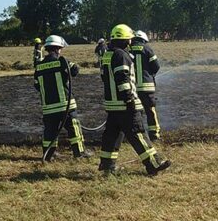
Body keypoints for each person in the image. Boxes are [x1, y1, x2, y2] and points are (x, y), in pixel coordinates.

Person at [98, 24, 170, 176]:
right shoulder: (121, 55)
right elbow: (122, 78)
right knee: (138, 133)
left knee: (112, 136)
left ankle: (107, 166)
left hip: (112, 105)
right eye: (129, 39)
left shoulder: (107, 54)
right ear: (126, 40)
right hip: (125, 104)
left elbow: (104, 77)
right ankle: (154, 163)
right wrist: (129, 98)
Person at [34, 35, 90, 161]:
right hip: (65, 105)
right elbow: (75, 70)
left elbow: (37, 85)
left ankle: (48, 155)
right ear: (58, 48)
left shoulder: (39, 66)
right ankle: (79, 153)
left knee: (49, 132)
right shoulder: (62, 61)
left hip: (48, 108)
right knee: (74, 129)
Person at [131, 30, 162, 141]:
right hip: (146, 86)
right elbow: (156, 66)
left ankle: (137, 135)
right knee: (150, 110)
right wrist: (150, 75)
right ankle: (154, 135)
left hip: (132, 88)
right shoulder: (147, 48)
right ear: (144, 39)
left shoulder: (127, 50)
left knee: (135, 112)